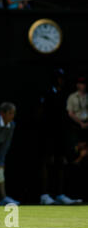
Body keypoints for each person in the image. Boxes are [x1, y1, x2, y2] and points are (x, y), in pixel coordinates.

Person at [37, 70, 83, 205]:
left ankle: (59, 194)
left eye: (62, 78)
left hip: (61, 134)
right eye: (59, 78)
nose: (61, 81)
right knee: (46, 161)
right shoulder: (46, 93)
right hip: (47, 133)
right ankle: (44, 195)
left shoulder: (65, 95)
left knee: (60, 162)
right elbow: (40, 113)